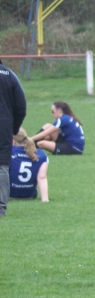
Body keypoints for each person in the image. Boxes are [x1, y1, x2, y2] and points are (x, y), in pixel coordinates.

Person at [0, 54, 27, 217]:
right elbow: (21, 106)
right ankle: (1, 208)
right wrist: (13, 128)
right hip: (3, 126)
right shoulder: (9, 75)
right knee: (2, 165)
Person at [9, 129, 49, 202]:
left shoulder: (8, 152)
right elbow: (42, 177)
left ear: (13, 141)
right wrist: (45, 200)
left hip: (8, 194)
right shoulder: (41, 154)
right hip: (29, 195)